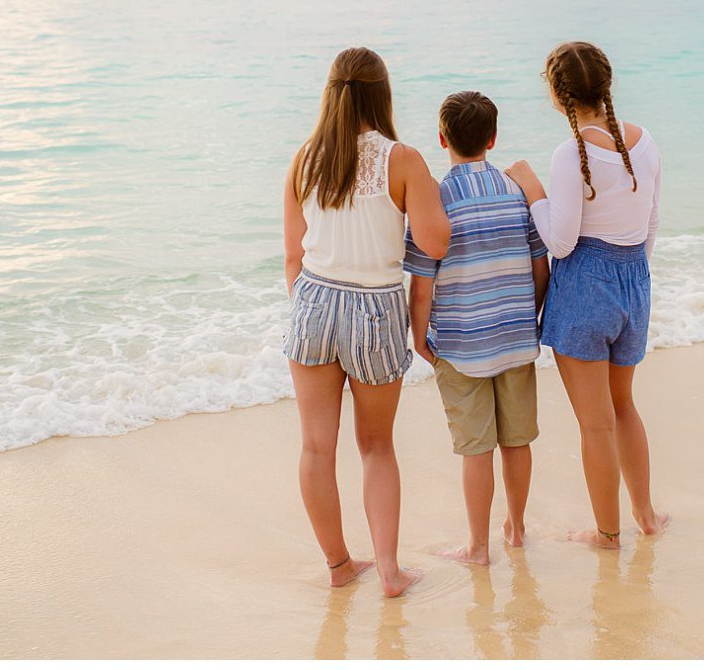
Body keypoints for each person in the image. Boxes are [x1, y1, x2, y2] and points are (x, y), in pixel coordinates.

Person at [281, 46, 450, 596]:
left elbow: (292, 255)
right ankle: (390, 573)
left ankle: (338, 567)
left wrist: (309, 308)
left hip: (312, 301)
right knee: (376, 446)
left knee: (315, 448)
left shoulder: (305, 158)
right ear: (382, 94)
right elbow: (435, 241)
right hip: (375, 307)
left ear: (330, 93)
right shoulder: (401, 159)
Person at [504, 41, 670, 550]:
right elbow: (650, 227)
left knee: (595, 426)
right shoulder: (644, 143)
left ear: (558, 95)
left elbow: (561, 241)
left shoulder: (567, 155)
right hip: (633, 282)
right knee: (625, 408)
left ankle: (606, 534)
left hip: (584, 290)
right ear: (606, 85)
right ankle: (645, 514)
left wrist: (533, 189)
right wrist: (630, 276)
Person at [404, 91, 549, 566]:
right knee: (517, 439)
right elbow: (538, 265)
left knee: (476, 449)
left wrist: (419, 335)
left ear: (441, 139)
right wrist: (530, 314)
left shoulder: (437, 199)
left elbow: (422, 285)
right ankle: (517, 528)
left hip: (463, 343)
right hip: (515, 337)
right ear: (492, 138)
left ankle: (478, 547)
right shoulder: (514, 191)